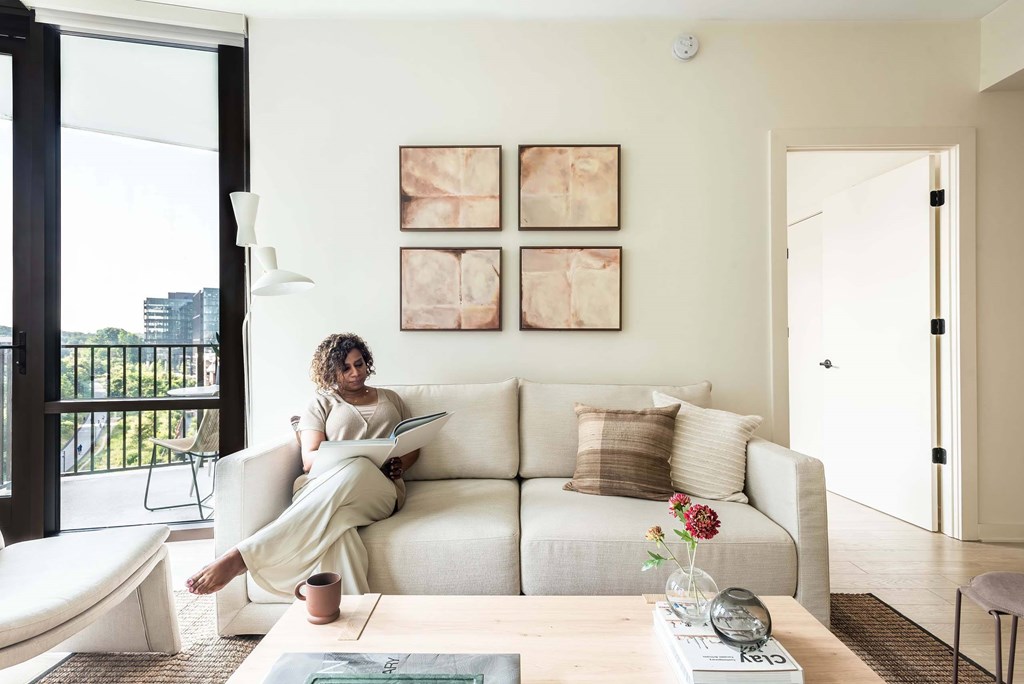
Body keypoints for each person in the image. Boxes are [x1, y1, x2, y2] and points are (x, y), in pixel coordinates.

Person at [185, 333, 418, 596]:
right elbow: (309, 459)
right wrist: (352, 456)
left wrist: (401, 464)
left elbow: (412, 446)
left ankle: (243, 556)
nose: (355, 372)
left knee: (361, 468)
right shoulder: (321, 403)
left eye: (359, 364)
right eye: (345, 368)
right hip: (324, 487)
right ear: (331, 372)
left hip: (381, 490)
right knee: (339, 528)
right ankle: (353, 617)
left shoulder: (391, 399)